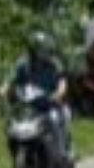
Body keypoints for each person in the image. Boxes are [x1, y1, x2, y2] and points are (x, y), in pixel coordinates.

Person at [6, 31, 73, 159]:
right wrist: (5, 90)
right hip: (30, 105)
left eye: (42, 48)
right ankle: (17, 150)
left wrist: (59, 93)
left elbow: (62, 82)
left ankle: (64, 151)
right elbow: (13, 81)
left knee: (56, 119)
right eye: (36, 48)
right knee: (12, 123)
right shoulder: (23, 65)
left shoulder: (55, 64)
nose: (39, 51)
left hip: (50, 104)